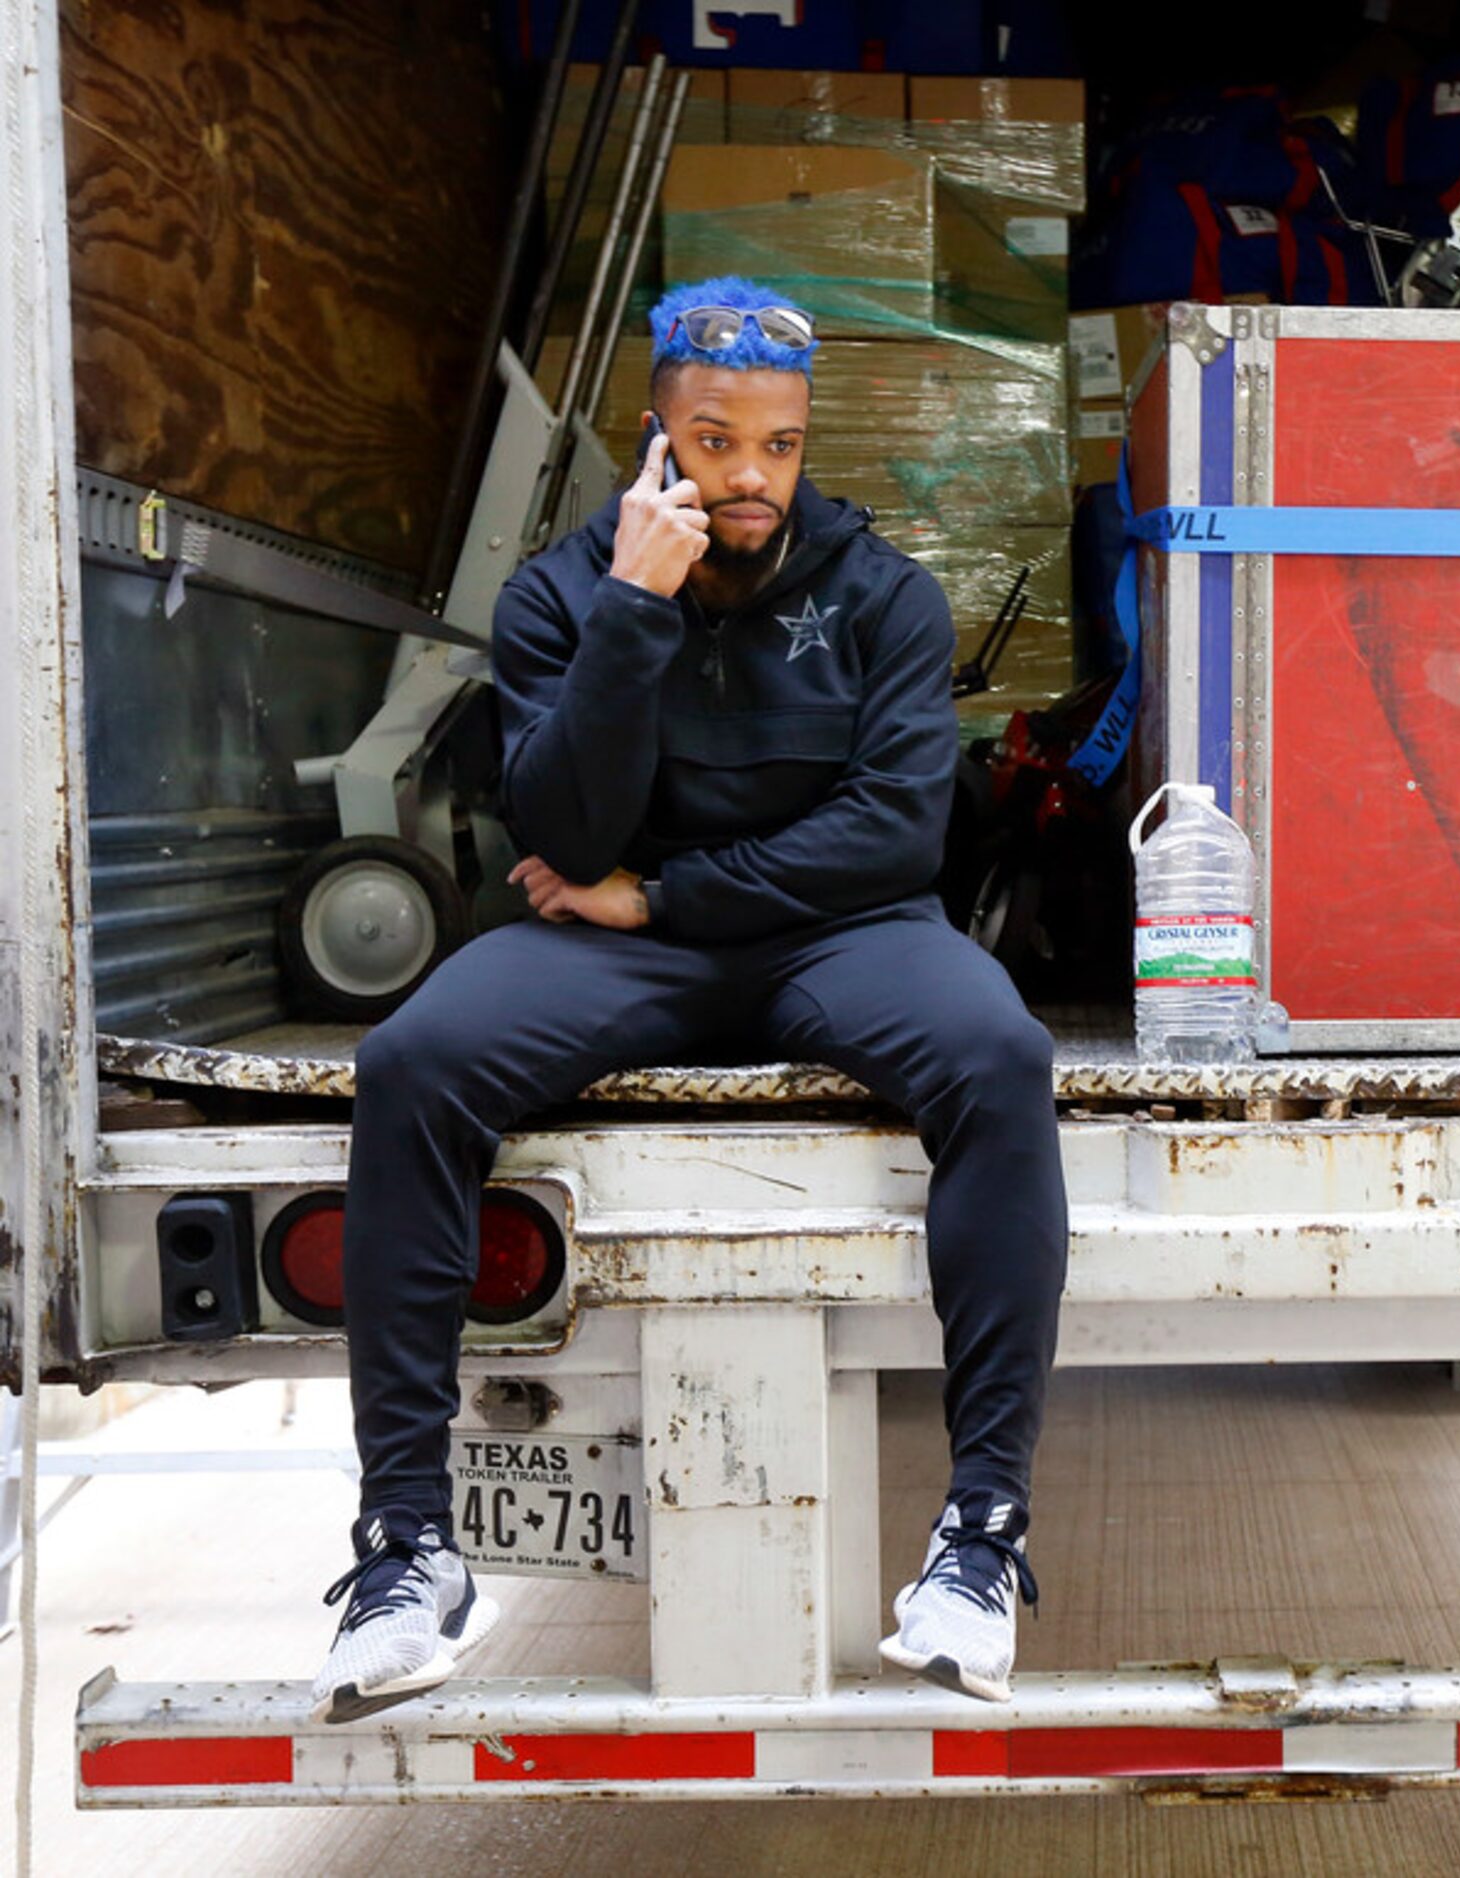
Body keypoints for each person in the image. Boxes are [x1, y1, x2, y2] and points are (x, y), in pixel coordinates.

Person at [310, 275, 1068, 1721]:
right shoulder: (557, 598)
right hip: (613, 947)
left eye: (779, 446)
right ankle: (408, 1546)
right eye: (716, 442)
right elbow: (568, 824)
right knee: (413, 1062)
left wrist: (666, 895)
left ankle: (979, 1539)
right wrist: (630, 614)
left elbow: (896, 833)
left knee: (997, 1053)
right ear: (654, 436)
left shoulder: (883, 595)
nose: (750, 480)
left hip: (830, 933)